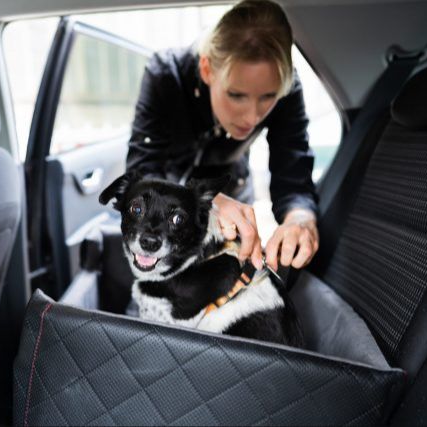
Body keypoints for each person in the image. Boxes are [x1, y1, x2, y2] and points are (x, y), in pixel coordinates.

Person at [126, 0, 319, 271]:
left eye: (268, 97)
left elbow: (294, 178)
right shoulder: (165, 75)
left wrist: (300, 221)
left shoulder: (287, 88)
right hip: (164, 203)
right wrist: (202, 203)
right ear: (207, 70)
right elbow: (141, 172)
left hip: (234, 193)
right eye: (236, 95)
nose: (252, 117)